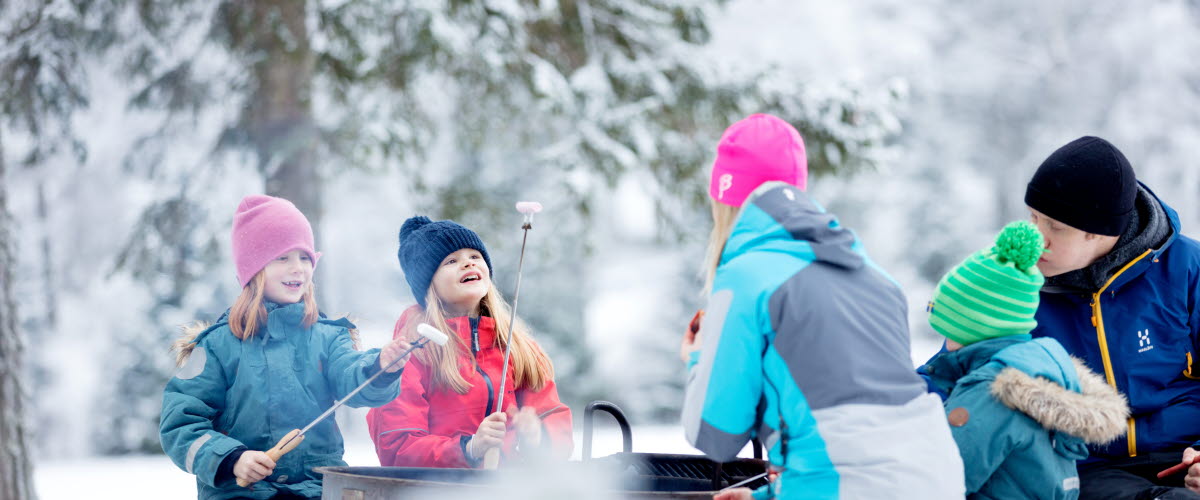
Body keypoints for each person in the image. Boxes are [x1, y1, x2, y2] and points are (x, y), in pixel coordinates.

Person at [680, 113, 964, 500]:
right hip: (936, 477)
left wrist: (699, 358)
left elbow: (714, 434)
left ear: (726, 205)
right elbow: (857, 431)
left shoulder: (746, 278)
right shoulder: (877, 279)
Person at [160, 194, 411, 499]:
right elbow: (180, 424)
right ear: (254, 268)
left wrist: (380, 367)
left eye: (305, 257)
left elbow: (353, 378)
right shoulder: (214, 346)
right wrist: (231, 460)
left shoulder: (329, 337)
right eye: (283, 257)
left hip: (317, 488)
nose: (298, 268)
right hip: (241, 492)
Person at [1023, 136, 1200, 499]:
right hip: (1091, 468)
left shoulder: (1186, 269)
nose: (1035, 237)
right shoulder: (1015, 288)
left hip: (1186, 454)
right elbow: (954, 372)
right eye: (1034, 218)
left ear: (1099, 232)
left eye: (1055, 227)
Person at [922, 220, 1128, 499]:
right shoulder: (1038, 370)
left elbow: (941, 477)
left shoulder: (989, 390)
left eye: (949, 330)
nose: (945, 343)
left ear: (976, 328)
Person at [366, 216, 572, 468]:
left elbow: (555, 423)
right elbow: (398, 447)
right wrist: (470, 448)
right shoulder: (410, 353)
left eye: (474, 256)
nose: (466, 263)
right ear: (428, 284)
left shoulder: (518, 347)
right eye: (451, 261)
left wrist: (538, 438)